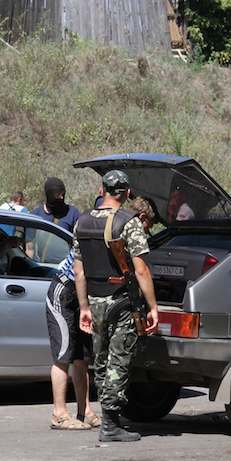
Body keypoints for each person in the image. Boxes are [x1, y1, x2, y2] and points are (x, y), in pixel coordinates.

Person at [74, 170, 159, 442]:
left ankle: (107, 418)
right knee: (118, 361)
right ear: (127, 194)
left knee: (100, 361)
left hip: (95, 301)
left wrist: (84, 307)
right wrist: (153, 307)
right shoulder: (129, 222)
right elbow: (142, 271)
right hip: (122, 301)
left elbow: (79, 272)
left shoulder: (82, 222)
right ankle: (110, 425)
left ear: (102, 191)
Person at [45, 247, 98, 430]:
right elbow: (78, 269)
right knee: (63, 355)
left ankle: (85, 412)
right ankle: (59, 415)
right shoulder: (89, 228)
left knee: (82, 356)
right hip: (65, 291)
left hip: (82, 296)